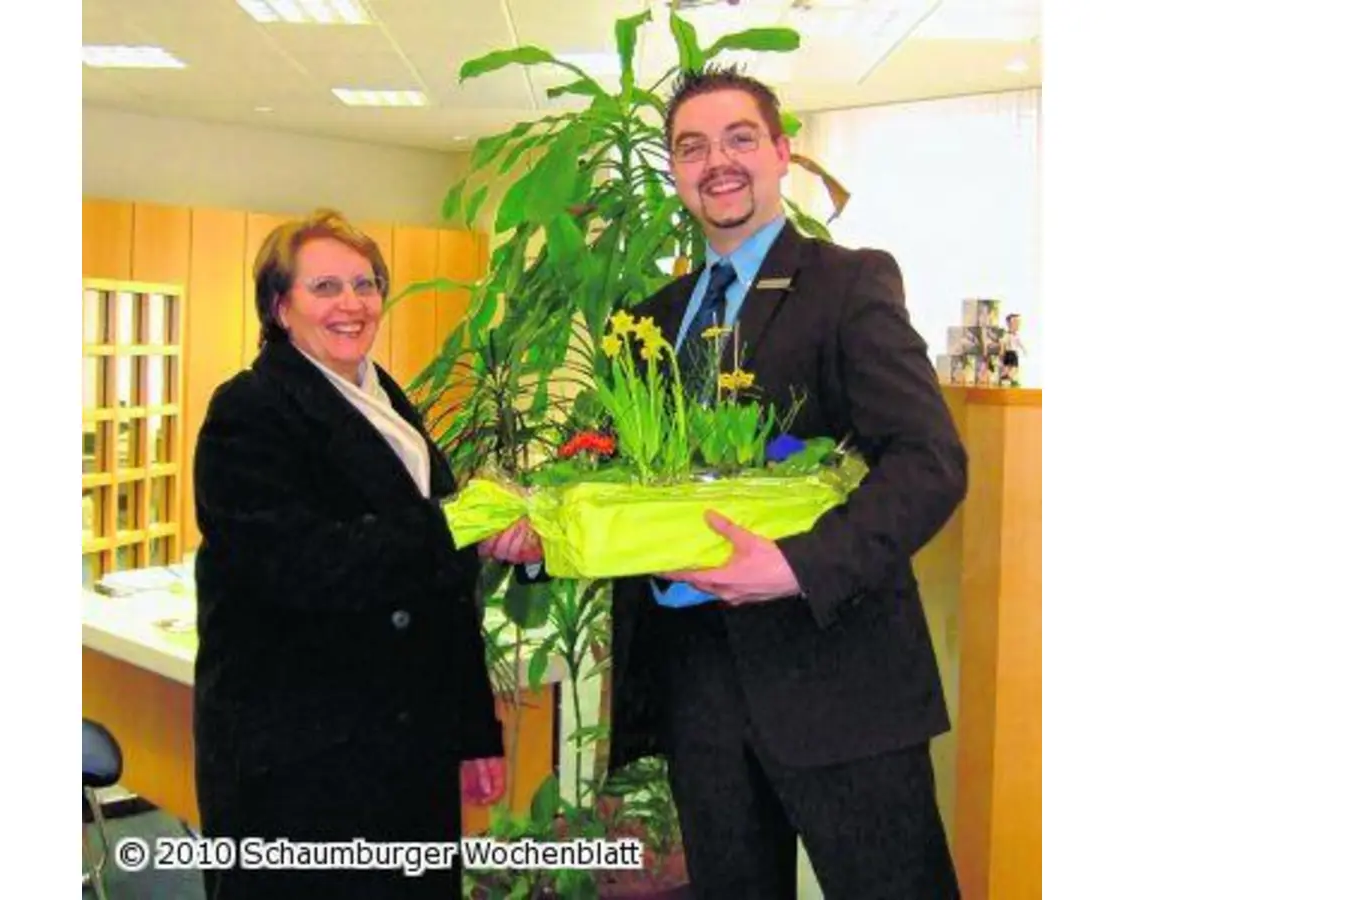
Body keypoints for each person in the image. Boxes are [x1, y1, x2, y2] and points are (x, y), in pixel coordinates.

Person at [607, 66, 969, 899]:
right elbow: (636, 486)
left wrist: (795, 565)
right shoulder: (653, 320)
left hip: (839, 672)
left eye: (740, 138)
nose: (717, 162)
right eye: (691, 147)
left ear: (781, 152)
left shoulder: (847, 285)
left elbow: (930, 460)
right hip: (698, 687)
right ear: (674, 171)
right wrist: (541, 542)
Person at [191, 209, 539, 899]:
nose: (352, 304)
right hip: (301, 764)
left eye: (366, 283)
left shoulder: (384, 400)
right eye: (325, 287)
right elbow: (302, 565)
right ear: (278, 306)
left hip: (403, 751)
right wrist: (454, 522)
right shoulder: (250, 410)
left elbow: (438, 586)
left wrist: (472, 729)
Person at [1002, 312, 1026, 386]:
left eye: (1018, 323)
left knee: (1010, 367)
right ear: (1009, 324)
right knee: (1012, 367)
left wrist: (1024, 349)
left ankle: (1007, 377)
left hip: (1010, 353)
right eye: (1015, 323)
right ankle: (1007, 376)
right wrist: (1002, 351)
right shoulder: (1008, 334)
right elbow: (1003, 343)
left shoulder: (1014, 335)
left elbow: (1019, 343)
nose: (1018, 325)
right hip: (1011, 353)